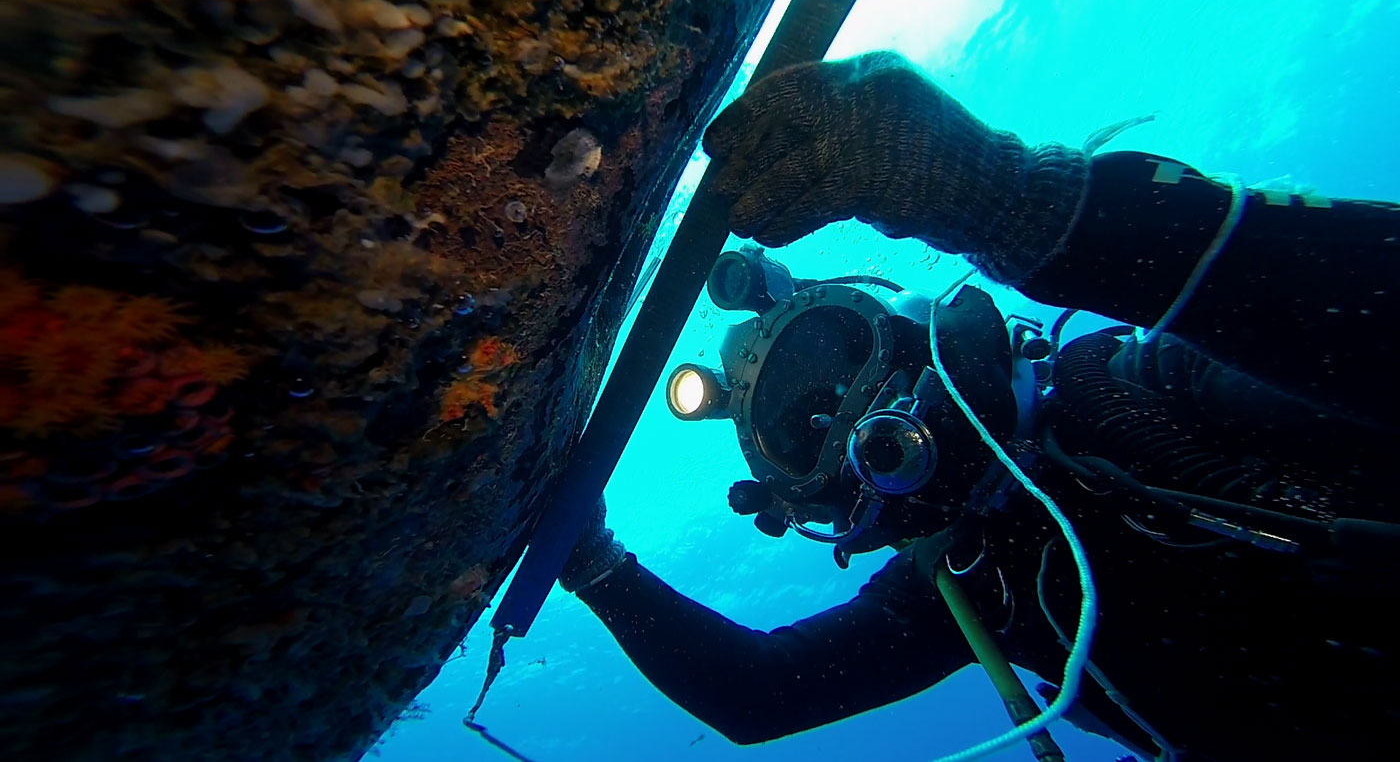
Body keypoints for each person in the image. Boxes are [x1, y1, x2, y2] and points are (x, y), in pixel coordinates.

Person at [557, 52, 1400, 762]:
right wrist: (592, 561)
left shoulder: (1132, 387)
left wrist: (1008, 199)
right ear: (811, 494)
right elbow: (758, 693)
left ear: (904, 332)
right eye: (804, 434)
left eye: (841, 359)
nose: (859, 418)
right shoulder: (964, 582)